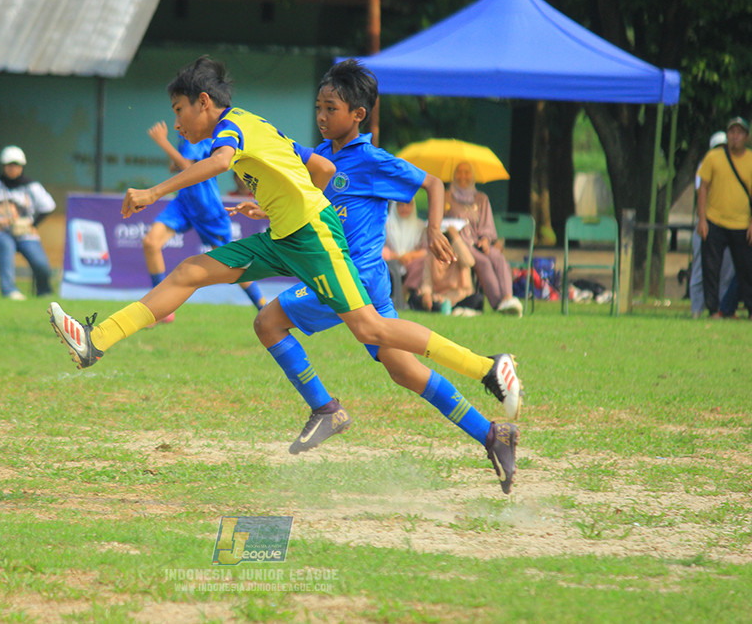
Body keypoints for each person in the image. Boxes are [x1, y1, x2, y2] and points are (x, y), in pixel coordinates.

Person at [45, 56, 522, 492]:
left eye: (179, 110)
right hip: (286, 239)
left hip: (317, 243)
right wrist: (277, 201)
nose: (176, 122)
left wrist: (154, 192)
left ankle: (485, 367)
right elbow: (320, 167)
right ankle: (95, 341)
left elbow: (220, 162)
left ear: (204, 103)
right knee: (191, 272)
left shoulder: (232, 129)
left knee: (363, 328)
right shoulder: (258, 126)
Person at [248, 59, 520, 492]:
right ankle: (491, 433)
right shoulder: (323, 158)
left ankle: (326, 408)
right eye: (318, 107)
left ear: (358, 114)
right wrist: (266, 208)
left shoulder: (371, 160)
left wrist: (433, 229)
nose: (321, 116)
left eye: (331, 108)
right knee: (403, 370)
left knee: (267, 322)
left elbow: (433, 185)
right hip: (363, 278)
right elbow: (312, 204)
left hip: (351, 275)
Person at [144, 121, 267, 322]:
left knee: (234, 263)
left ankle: (262, 306)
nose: (176, 120)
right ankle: (160, 309)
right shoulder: (185, 132)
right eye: (175, 111)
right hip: (184, 202)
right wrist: (175, 160)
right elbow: (179, 166)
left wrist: (162, 142)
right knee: (150, 242)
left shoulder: (202, 133)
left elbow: (187, 166)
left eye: (179, 109)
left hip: (207, 207)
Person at [0, 146, 55, 300]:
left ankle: (44, 291)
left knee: (40, 262)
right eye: (9, 165)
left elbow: (48, 206)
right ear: (3, 166)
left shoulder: (31, 186)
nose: (12, 169)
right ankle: (9, 290)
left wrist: (33, 225)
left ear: (22, 166)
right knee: (6, 246)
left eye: (16, 165)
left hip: (24, 233)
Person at [445, 161, 523, 316]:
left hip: (478, 241)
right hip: (460, 244)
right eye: (459, 172)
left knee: (497, 256)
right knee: (484, 262)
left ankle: (508, 297)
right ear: (453, 176)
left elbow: (487, 224)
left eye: (467, 172)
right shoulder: (447, 198)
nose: (463, 176)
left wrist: (486, 240)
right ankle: (499, 303)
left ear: (473, 176)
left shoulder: (481, 199)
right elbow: (442, 223)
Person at [696, 116, 752, 318]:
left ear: (746, 137)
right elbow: (703, 188)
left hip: (741, 224)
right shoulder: (714, 157)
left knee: (746, 270)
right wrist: (702, 219)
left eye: (739, 133)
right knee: (711, 269)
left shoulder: (750, 160)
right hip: (714, 221)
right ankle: (713, 310)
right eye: (731, 132)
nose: (735, 136)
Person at [689, 130, 739, 317]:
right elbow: (702, 191)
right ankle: (697, 309)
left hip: (729, 224)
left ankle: (720, 310)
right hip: (708, 222)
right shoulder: (706, 165)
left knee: (726, 271)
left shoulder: (737, 165)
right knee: (700, 269)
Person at [405, 225, 481, 315]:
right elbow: (427, 282)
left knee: (477, 299)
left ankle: (450, 309)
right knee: (414, 298)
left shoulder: (459, 255)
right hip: (437, 297)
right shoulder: (431, 257)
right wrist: (426, 294)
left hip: (458, 297)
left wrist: (455, 236)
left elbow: (469, 262)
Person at [383, 200, 426, 309]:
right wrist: (397, 257)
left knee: (423, 262)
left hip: (411, 262)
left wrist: (410, 256)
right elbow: (380, 247)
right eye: (400, 205)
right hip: (391, 260)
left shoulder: (420, 226)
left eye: (408, 205)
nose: (404, 208)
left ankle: (405, 292)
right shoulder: (386, 224)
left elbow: (426, 251)